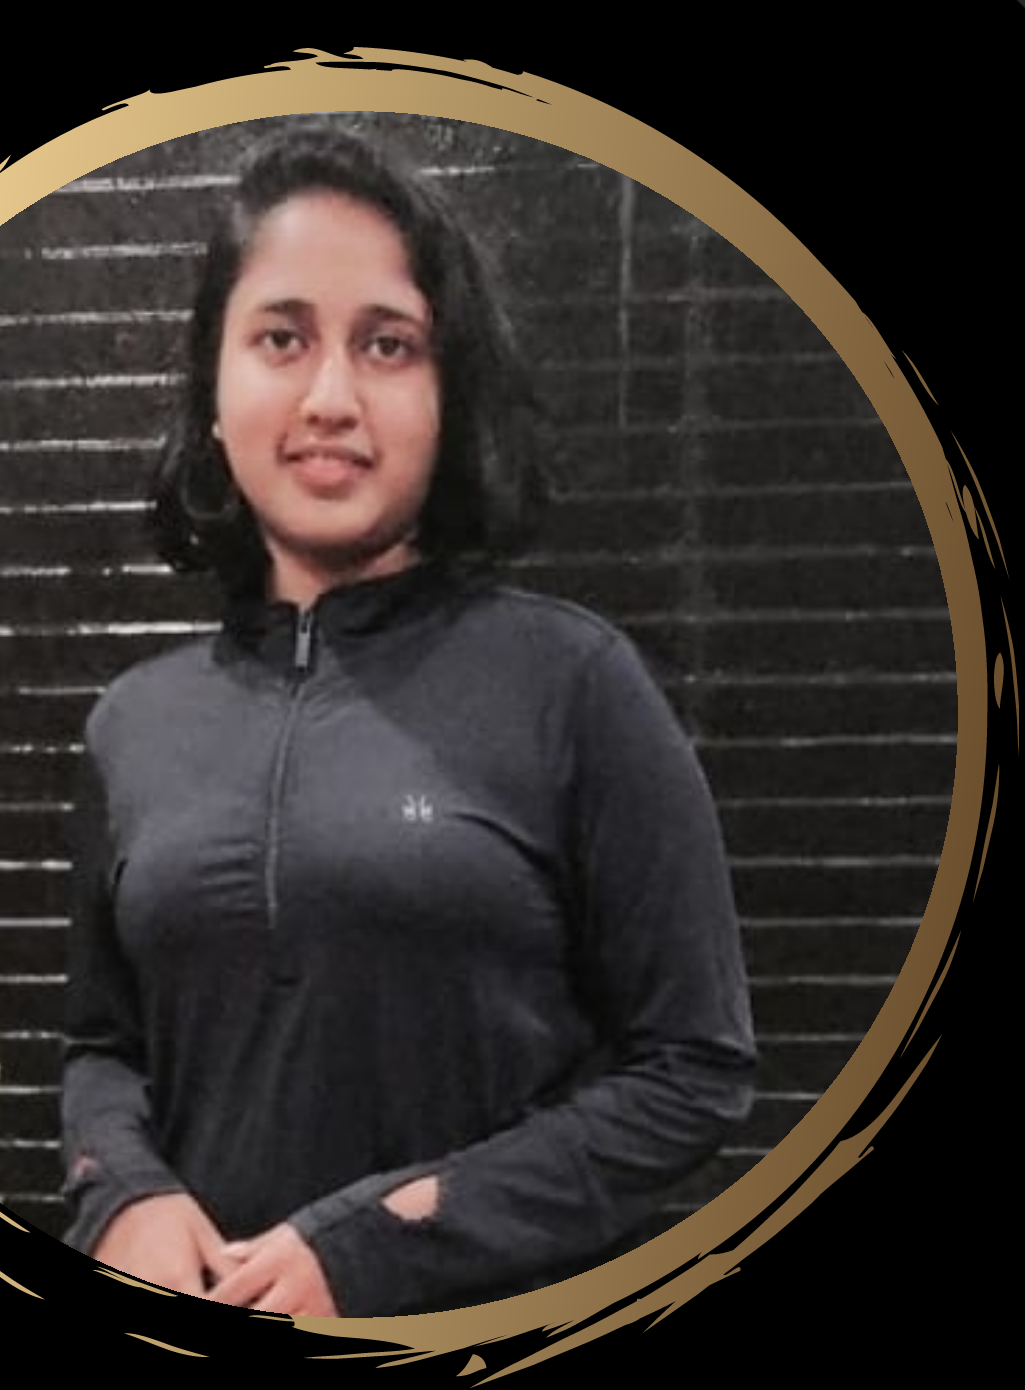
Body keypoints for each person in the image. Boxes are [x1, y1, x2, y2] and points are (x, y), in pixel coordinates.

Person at [60, 125, 756, 1318]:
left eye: (386, 345)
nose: (329, 398)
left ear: (447, 395)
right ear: (213, 389)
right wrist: (120, 1188)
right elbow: (102, 1047)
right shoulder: (134, 724)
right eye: (281, 338)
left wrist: (387, 1241)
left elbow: (690, 1071)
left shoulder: (573, 685)